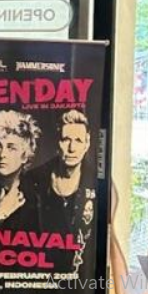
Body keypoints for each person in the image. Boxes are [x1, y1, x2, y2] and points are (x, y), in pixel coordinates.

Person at [28, 109, 96, 274]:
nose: (72, 148)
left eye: (78, 140)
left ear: (86, 144)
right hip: (39, 278)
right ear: (57, 143)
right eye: (66, 140)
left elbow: (110, 239)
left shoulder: (97, 183)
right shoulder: (34, 179)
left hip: (80, 280)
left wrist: (123, 289)